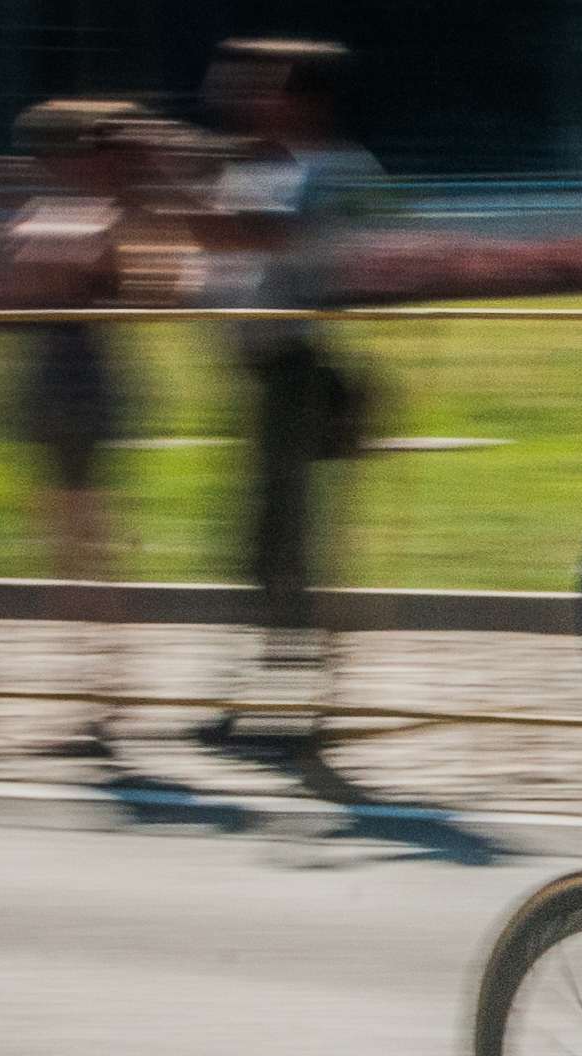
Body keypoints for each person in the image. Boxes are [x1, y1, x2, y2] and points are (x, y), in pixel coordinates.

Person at [195, 39, 381, 749]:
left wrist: (164, 188)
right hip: (268, 376)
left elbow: (263, 238)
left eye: (265, 88)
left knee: (289, 542)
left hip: (301, 373)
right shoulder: (268, 169)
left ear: (303, 98)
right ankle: (275, 696)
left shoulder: (321, 171)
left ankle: (296, 703)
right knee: (265, 541)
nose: (247, 102)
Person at [4, 99, 147, 753]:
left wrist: (56, 243)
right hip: (50, 377)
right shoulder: (56, 207)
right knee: (64, 542)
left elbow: (85, 262)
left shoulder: (115, 214)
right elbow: (22, 266)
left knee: (89, 536)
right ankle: (90, 680)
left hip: (84, 379)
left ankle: (109, 679)